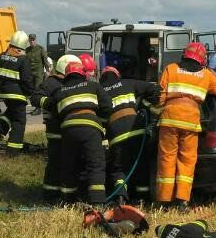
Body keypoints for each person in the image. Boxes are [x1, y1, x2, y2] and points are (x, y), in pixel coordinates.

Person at [155, 41, 216, 208]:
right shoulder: (206, 74)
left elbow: (159, 97)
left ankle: (164, 200)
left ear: (184, 54)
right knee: (187, 160)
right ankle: (182, 200)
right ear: (202, 60)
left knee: (167, 159)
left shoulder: (171, 69)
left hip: (170, 119)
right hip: (190, 121)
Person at [53, 55, 112, 204]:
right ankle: (97, 202)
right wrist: (101, 124)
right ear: (83, 74)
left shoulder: (60, 91)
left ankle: (68, 200)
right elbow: (107, 105)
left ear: (66, 75)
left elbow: (56, 114)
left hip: (68, 130)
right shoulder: (93, 86)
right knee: (95, 165)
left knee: (69, 165)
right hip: (90, 128)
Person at [99, 66, 160, 199]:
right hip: (136, 130)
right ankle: (142, 199)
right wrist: (145, 104)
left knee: (119, 169)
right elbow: (154, 89)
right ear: (117, 75)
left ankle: (121, 197)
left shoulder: (99, 91)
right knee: (141, 165)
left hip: (116, 135)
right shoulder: (128, 83)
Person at [0, 30, 34, 153]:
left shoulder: (1, 56)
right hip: (17, 95)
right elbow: (27, 79)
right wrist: (30, 92)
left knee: (11, 113)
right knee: (19, 121)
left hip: (4, 93)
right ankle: (13, 150)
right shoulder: (23, 59)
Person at [32, 63, 66, 201]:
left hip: (64, 129)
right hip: (55, 130)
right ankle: (50, 195)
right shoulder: (50, 83)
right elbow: (35, 98)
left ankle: (57, 193)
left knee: (59, 162)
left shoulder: (66, 83)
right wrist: (51, 103)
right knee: (55, 162)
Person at [24, 34, 47, 111]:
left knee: (37, 90)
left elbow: (45, 60)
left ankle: (38, 108)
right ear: (29, 41)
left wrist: (48, 71)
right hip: (30, 74)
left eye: (33, 40)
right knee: (31, 90)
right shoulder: (27, 50)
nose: (32, 41)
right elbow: (25, 61)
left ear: (35, 40)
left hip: (38, 73)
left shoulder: (40, 49)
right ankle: (36, 106)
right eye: (31, 40)